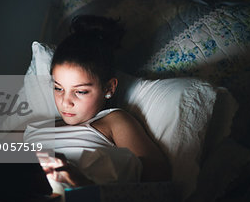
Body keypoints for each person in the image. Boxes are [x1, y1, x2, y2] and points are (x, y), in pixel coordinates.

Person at [24, 15, 170, 192]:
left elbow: (158, 179)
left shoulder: (113, 122)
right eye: (58, 88)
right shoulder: (36, 126)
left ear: (108, 88)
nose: (65, 102)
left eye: (80, 91)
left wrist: (81, 182)